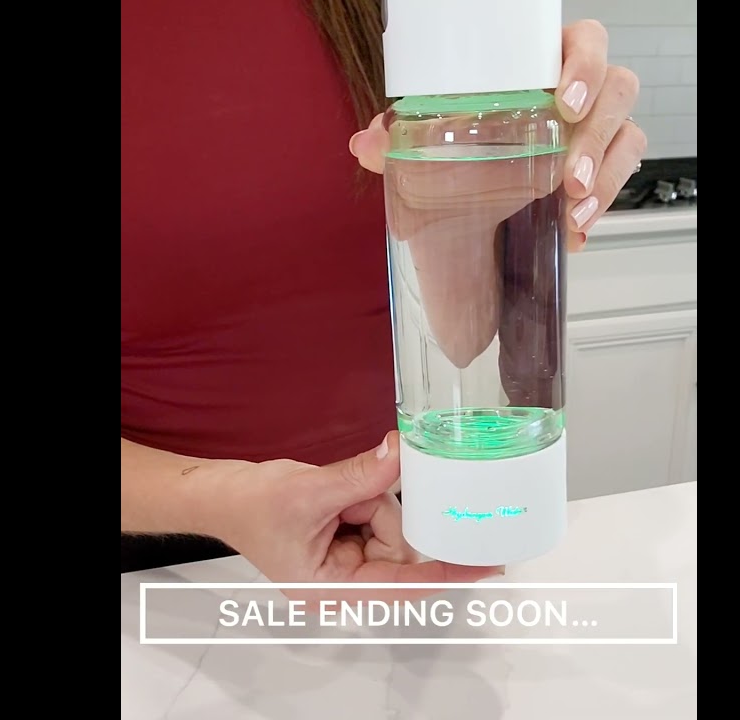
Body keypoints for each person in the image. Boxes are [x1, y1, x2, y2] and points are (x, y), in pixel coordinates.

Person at [120, 1, 648, 597]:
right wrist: (212, 497)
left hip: (397, 520)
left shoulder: (400, 37)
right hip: (158, 557)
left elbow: (462, 345)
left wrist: (468, 208)